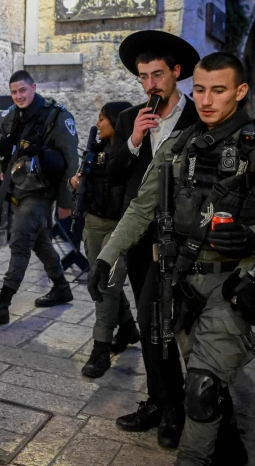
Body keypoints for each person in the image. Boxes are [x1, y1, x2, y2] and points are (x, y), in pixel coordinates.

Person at [91, 52, 255, 465]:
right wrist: (107, 257)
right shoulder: (181, 143)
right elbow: (142, 206)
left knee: (202, 388)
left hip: (233, 283)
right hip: (183, 282)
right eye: (200, 91)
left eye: (219, 90)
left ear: (240, 91)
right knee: (203, 374)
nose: (207, 100)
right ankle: (229, 449)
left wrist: (253, 235)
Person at [100, 30, 199, 448]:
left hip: (187, 240)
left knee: (182, 326)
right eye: (143, 77)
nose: (150, 85)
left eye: (157, 75)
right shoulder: (129, 119)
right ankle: (164, 402)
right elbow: (115, 176)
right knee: (149, 321)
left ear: (176, 73)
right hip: (143, 240)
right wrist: (136, 140)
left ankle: (193, 405)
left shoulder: (198, 118)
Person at [0, 71, 80, 324]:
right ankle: (60, 287)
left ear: (33, 87)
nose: (19, 96)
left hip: (41, 192)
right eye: (14, 92)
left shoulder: (56, 116)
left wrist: (66, 202)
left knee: (20, 242)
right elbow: (5, 151)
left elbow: (71, 161)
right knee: (39, 241)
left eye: (23, 90)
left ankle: (3, 303)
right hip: (17, 189)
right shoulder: (12, 115)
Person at [71, 100, 140, 378]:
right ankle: (127, 328)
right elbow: (78, 178)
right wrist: (74, 182)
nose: (98, 123)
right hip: (93, 222)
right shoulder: (95, 150)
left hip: (119, 225)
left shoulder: (130, 152)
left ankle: (100, 350)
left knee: (108, 285)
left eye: (103, 119)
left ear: (116, 122)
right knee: (101, 279)